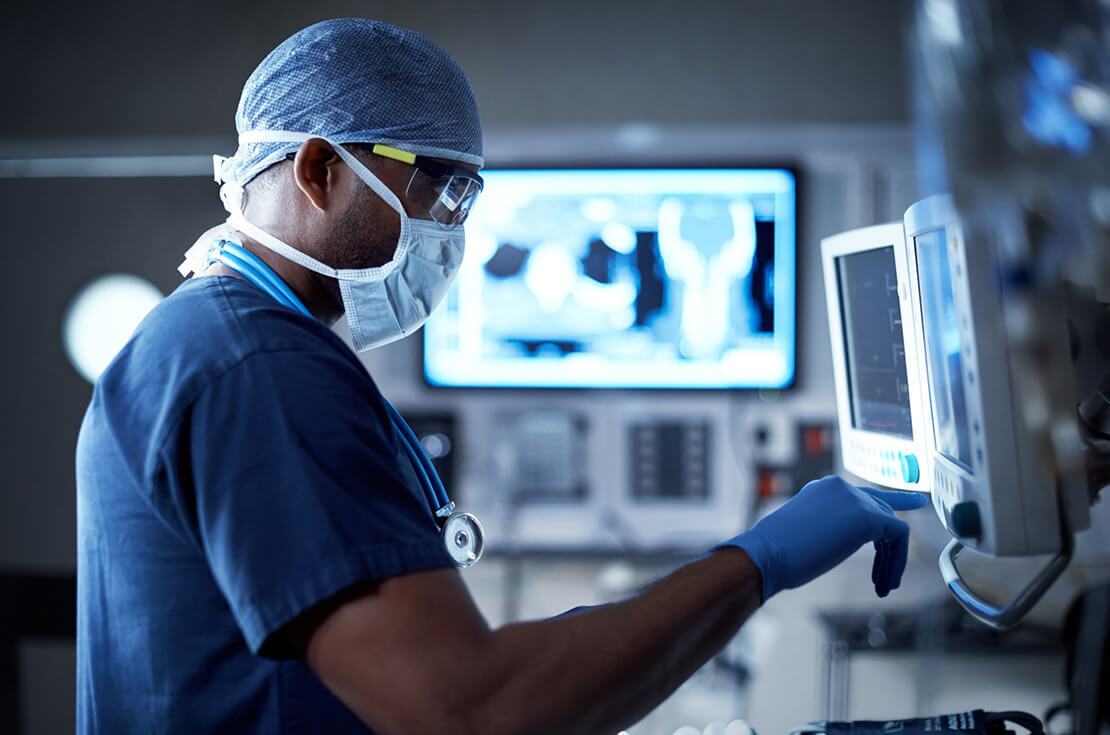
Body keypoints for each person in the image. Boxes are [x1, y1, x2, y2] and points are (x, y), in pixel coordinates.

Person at [75, 18, 929, 735]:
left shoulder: (205, 341)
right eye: (441, 193)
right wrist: (762, 560)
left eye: (470, 200)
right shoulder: (260, 367)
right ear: (319, 169)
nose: (455, 234)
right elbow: (473, 710)